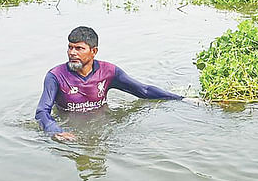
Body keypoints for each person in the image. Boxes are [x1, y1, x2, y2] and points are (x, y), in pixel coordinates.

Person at [36, 26, 183, 140]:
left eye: (79, 48)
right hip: (70, 131)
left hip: (103, 127)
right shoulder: (55, 76)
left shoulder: (109, 72)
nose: (72, 53)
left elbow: (143, 91)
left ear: (94, 51)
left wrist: (181, 99)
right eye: (70, 47)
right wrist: (55, 131)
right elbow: (42, 111)